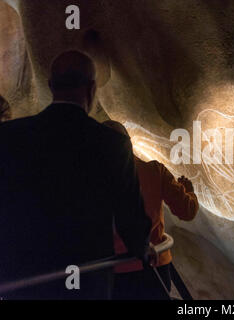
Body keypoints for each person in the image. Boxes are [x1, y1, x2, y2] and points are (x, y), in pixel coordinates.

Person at [0, 51, 151, 300]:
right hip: (86, 280)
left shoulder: (9, 137)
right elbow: (130, 215)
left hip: (23, 279)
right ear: (91, 89)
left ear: (51, 86)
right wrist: (141, 247)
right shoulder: (111, 144)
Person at [102, 120, 199, 299]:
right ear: (128, 142)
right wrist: (188, 191)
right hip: (154, 266)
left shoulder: (88, 182)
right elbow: (187, 210)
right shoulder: (154, 171)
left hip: (112, 272)